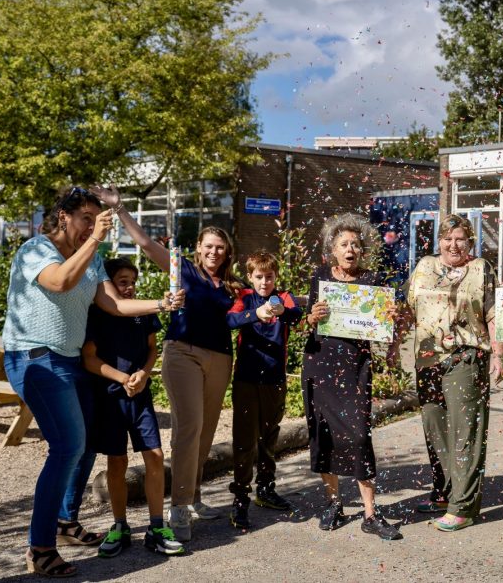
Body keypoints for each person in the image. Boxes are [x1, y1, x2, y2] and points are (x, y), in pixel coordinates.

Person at [2, 186, 183, 578]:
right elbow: (61, 282)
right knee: (68, 448)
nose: (90, 225)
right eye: (85, 217)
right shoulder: (36, 249)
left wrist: (160, 304)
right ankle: (40, 547)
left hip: (71, 362)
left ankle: (66, 523)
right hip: (35, 357)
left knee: (85, 448)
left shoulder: (94, 258)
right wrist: (96, 239)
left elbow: (112, 304)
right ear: (64, 216)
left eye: (94, 219)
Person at [93, 185, 241, 543]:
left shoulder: (231, 285)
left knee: (206, 431)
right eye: (208, 246)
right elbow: (145, 244)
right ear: (199, 249)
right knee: (189, 427)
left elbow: (264, 302)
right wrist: (122, 209)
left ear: (226, 252)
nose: (214, 252)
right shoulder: (184, 271)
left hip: (220, 358)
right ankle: (178, 505)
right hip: (184, 354)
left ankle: (195, 496)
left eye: (219, 247)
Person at [302, 213, 402, 541]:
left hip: (355, 367)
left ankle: (370, 514)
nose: (350, 249)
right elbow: (306, 322)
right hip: (320, 364)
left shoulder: (372, 282)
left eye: (355, 245)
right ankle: (334, 504)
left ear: (363, 250)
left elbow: (386, 328)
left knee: (359, 436)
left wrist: (390, 319)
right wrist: (312, 316)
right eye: (344, 244)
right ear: (332, 248)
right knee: (325, 435)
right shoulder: (319, 277)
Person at [402, 214, 503, 531]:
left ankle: (464, 507)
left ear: (470, 241)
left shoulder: (481, 269)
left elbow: (494, 312)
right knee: (435, 429)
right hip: (427, 359)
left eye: (460, 238)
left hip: (466, 358)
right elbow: (409, 308)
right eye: (447, 238)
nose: (453, 244)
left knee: (465, 434)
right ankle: (445, 492)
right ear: (439, 241)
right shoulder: (424, 267)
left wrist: (499, 354)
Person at [82, 258, 184, 557]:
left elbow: (152, 348)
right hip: (111, 399)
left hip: (141, 397)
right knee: (117, 463)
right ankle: (120, 525)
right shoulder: (96, 315)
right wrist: (122, 377)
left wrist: (143, 373)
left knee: (155, 456)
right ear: (107, 285)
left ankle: (156, 526)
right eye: (122, 281)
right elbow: (89, 358)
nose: (129, 287)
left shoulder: (143, 312)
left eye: (132, 281)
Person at [226, 250, 303, 530]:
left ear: (275, 277)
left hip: (274, 379)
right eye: (259, 277)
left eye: (269, 277)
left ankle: (266, 489)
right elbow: (229, 321)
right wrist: (253, 314)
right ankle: (240, 498)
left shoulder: (283, 297)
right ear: (250, 276)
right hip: (246, 379)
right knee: (244, 440)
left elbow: (297, 317)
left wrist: (285, 312)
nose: (264, 282)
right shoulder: (244, 296)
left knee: (269, 436)